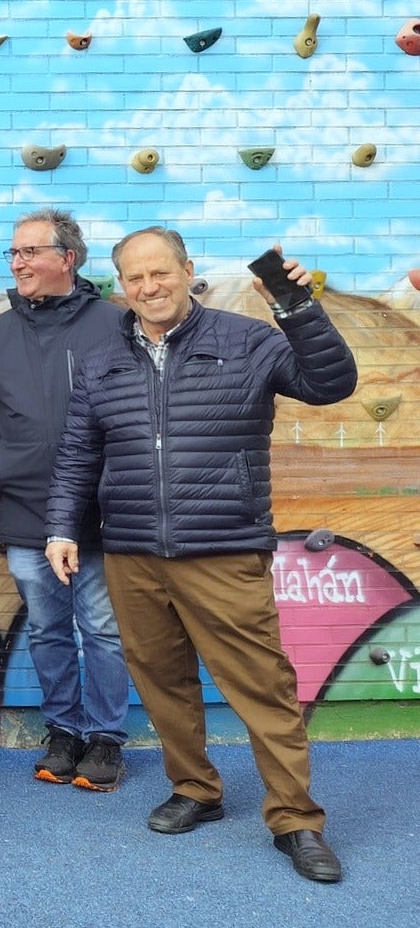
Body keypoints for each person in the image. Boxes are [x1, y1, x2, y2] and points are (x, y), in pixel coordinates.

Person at [46, 233, 357, 883]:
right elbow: (78, 454)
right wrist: (61, 528)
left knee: (263, 689)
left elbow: (331, 383)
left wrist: (297, 306)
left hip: (224, 550)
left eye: (160, 272)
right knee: (162, 683)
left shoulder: (250, 340)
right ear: (120, 286)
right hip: (132, 553)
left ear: (188, 273)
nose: (149, 286)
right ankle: (196, 790)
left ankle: (296, 820)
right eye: (134, 278)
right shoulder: (102, 361)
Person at [0, 208, 131, 790]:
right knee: (50, 629)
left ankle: (105, 740)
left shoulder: (115, 325)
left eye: (30, 252)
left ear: (67, 259)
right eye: (15, 253)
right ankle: (63, 731)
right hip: (26, 511)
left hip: (100, 514)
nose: (19, 263)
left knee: (101, 629)